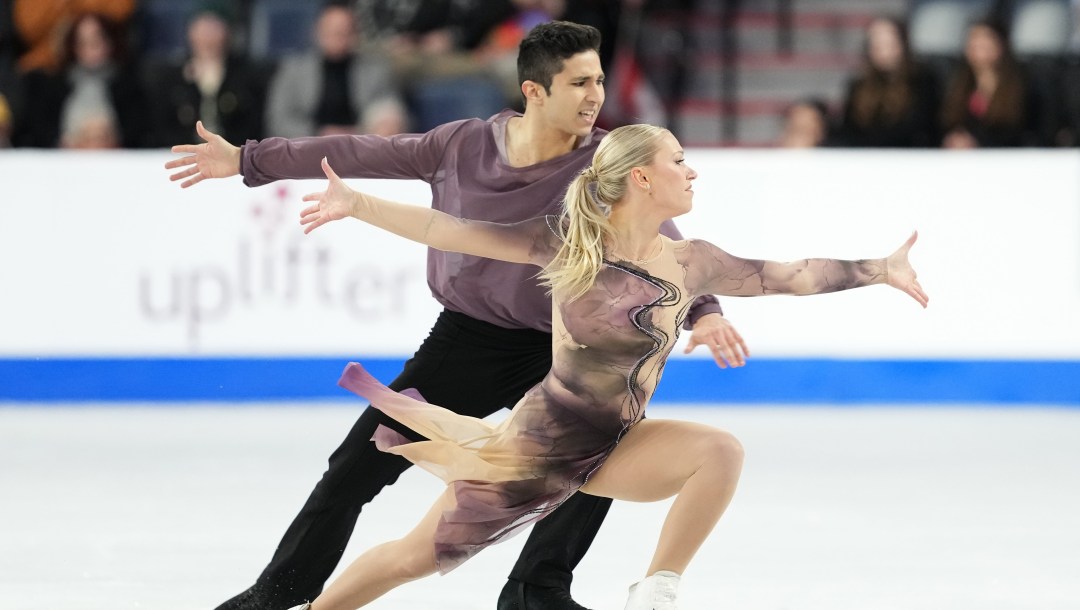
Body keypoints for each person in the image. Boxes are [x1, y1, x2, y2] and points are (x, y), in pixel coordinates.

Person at [166, 21, 748, 610]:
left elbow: (660, 240)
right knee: (358, 464)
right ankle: (275, 594)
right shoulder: (462, 146)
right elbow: (357, 152)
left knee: (596, 449)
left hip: (560, 347)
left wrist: (704, 312)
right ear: (535, 91)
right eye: (579, 83)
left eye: (598, 80)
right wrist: (247, 159)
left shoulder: (603, 164)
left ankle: (535, 588)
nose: (595, 96)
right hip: (466, 341)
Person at [282, 123, 928, 609]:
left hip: (612, 447)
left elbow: (792, 275)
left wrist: (880, 269)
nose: (692, 172)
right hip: (535, 450)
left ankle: (656, 589)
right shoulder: (568, 244)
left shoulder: (692, 261)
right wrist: (359, 204)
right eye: (679, 160)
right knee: (411, 559)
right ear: (641, 178)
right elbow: (449, 229)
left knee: (719, 451)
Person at [265, 1, 407, 138]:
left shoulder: (375, 70)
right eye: (331, 30)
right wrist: (319, 134)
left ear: (355, 33)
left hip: (360, 144)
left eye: (344, 31)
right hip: (308, 144)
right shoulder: (293, 70)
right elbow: (278, 119)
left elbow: (389, 107)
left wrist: (375, 127)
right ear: (317, 30)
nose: (338, 36)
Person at [18, 11, 148, 148]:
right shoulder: (55, 86)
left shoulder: (128, 86)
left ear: (110, 43)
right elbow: (40, 131)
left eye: (96, 41)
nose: (90, 48)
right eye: (83, 42)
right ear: (73, 46)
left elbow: (138, 132)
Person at [148, 1, 268, 147]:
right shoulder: (171, 78)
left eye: (214, 27)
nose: (207, 36)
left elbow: (252, 126)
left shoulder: (247, 76)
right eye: (201, 27)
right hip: (179, 154)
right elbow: (161, 128)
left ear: (228, 31)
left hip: (233, 154)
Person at [838, 16, 940, 148]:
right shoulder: (858, 87)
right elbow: (849, 132)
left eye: (888, 42)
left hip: (910, 156)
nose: (883, 49)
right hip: (867, 157)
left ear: (902, 43)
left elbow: (922, 129)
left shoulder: (922, 81)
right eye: (876, 43)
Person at [940, 18, 1034, 149]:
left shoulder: (1021, 87)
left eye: (986, 40)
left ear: (1001, 44)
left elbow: (1023, 133)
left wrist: (979, 144)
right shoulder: (958, 86)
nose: (979, 45)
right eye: (974, 40)